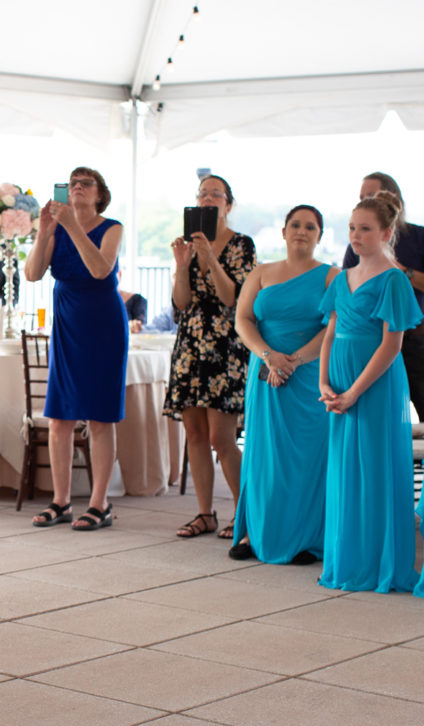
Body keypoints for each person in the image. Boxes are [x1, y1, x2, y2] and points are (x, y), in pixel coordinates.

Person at [318, 192, 422, 593]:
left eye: (365, 229)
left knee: (374, 466)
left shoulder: (394, 278)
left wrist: (356, 391)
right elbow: (329, 332)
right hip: (340, 383)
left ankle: (376, 561)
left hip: (375, 384)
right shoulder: (342, 276)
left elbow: (392, 345)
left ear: (386, 232)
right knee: (345, 470)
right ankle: (348, 558)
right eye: (352, 228)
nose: (356, 236)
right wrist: (325, 383)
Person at [230, 205, 338, 564]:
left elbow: (333, 328)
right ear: (284, 231)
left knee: (307, 457)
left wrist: (294, 362)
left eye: (310, 226)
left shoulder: (331, 276)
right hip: (265, 371)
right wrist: (268, 356)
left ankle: (306, 537)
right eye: (295, 224)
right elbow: (243, 320)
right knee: (263, 453)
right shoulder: (261, 273)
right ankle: (252, 532)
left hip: (308, 375)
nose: (302, 231)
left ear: (319, 235)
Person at [26, 167, 126, 531]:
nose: (78, 188)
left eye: (86, 184)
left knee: (99, 416)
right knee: (60, 417)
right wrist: (43, 233)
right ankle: (61, 500)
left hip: (103, 324)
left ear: (100, 194)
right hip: (66, 323)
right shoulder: (56, 228)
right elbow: (33, 273)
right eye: (73, 184)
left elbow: (101, 269)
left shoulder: (111, 227)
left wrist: (71, 227)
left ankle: (100, 503)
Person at [165, 174, 256, 541]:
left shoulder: (241, 245)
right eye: (202, 194)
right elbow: (182, 303)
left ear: (228, 204)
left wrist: (208, 257)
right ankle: (205, 514)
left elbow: (232, 298)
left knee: (222, 437)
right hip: (190, 345)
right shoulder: (187, 244)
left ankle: (244, 513)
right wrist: (181, 264)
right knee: (195, 433)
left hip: (226, 348)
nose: (207, 199)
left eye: (215, 194)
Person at [342, 172, 424, 421]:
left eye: (371, 195)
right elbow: (348, 293)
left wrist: (400, 271)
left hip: (417, 341)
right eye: (361, 197)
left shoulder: (419, 236)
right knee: (375, 417)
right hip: (369, 344)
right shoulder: (355, 246)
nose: (365, 201)